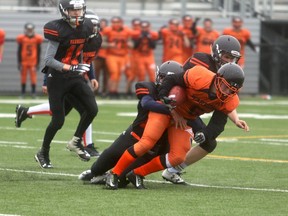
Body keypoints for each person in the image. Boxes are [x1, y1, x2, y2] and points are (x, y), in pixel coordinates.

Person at [106, 62, 246, 190]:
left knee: (178, 157)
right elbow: (171, 79)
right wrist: (166, 100)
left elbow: (218, 124)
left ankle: (137, 174)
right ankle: (114, 173)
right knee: (147, 143)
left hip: (184, 119)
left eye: (232, 91)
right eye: (225, 87)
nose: (227, 93)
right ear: (217, 78)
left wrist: (205, 134)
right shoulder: (199, 76)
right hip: (167, 110)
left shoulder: (229, 100)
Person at [78, 61, 184, 187]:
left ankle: (112, 175)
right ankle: (98, 173)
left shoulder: (183, 98)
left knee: (123, 180)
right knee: (98, 167)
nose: (165, 83)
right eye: (162, 78)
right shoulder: (148, 87)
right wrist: (171, 110)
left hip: (154, 147)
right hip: (133, 135)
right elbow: (147, 103)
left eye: (170, 80)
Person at [161, 35, 250, 184]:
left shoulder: (230, 73)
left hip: (194, 112)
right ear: (216, 52)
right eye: (227, 57)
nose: (229, 61)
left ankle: (172, 171)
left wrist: (235, 118)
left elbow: (225, 101)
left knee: (209, 142)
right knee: (159, 141)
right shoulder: (200, 62)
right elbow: (177, 86)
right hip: (177, 105)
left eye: (233, 59)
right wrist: (174, 111)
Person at [34, 0, 102, 168]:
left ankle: (76, 141)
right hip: (56, 77)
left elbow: (79, 52)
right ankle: (43, 151)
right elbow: (49, 60)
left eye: (79, 10)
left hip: (74, 76)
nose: (77, 13)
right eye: (73, 10)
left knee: (92, 109)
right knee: (58, 121)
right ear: (64, 11)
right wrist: (70, 67)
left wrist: (81, 69)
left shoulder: (86, 27)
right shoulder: (57, 28)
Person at [15, 61, 101, 157]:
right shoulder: (68, 46)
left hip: (76, 81)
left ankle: (25, 111)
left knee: (63, 111)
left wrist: (92, 76)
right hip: (65, 80)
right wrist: (45, 81)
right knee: (84, 110)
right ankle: (87, 145)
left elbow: (88, 59)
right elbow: (51, 59)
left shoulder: (88, 47)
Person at [102, 16, 133, 98]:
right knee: (114, 73)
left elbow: (131, 43)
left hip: (123, 56)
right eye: (114, 22)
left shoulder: (127, 31)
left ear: (121, 23)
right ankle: (111, 91)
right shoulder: (108, 30)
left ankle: (114, 91)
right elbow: (102, 44)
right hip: (112, 55)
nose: (116, 24)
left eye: (117, 22)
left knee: (118, 74)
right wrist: (109, 45)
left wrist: (130, 44)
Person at [16, 23, 43, 98]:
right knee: (23, 78)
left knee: (33, 78)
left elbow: (39, 51)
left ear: (33, 30)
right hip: (24, 62)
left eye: (31, 29)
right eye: (28, 29)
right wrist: (19, 62)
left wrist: (38, 63)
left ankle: (33, 93)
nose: (29, 31)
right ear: (25, 30)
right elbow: (19, 51)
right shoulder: (22, 38)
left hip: (33, 62)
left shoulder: (37, 39)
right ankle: (23, 93)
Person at [93, 18, 109, 97]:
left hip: (107, 56)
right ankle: (95, 90)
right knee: (96, 74)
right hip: (98, 56)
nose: (103, 25)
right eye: (101, 23)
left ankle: (104, 91)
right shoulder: (96, 32)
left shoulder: (109, 32)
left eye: (104, 23)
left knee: (106, 75)